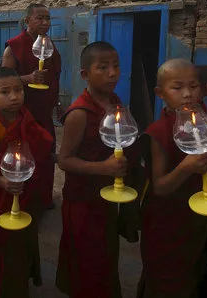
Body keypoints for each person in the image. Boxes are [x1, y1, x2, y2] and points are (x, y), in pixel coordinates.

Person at [0, 67, 53, 298]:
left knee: (22, 245)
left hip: (25, 193)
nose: (15, 96)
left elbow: (41, 146)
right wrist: (1, 182)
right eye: (5, 92)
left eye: (18, 90)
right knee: (2, 250)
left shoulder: (25, 117)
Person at [56, 42, 133, 298]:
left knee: (106, 254)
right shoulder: (79, 113)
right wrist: (104, 167)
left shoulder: (114, 102)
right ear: (84, 75)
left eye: (116, 66)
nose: (113, 73)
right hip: (82, 199)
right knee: (87, 258)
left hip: (108, 196)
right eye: (103, 67)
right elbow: (64, 160)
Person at [137, 59, 207, 298]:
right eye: (177, 88)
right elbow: (159, 187)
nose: (188, 94)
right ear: (160, 93)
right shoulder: (159, 131)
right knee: (168, 283)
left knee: (195, 276)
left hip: (196, 217)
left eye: (194, 86)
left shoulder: (200, 118)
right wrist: (186, 168)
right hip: (168, 221)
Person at [2, 3, 62, 210]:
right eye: (40, 18)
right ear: (27, 20)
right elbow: (4, 81)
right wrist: (27, 78)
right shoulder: (14, 46)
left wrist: (58, 103)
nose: (45, 23)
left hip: (45, 113)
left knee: (46, 156)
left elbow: (54, 76)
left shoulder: (47, 45)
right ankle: (25, 203)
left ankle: (44, 199)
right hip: (23, 114)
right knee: (27, 158)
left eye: (48, 18)